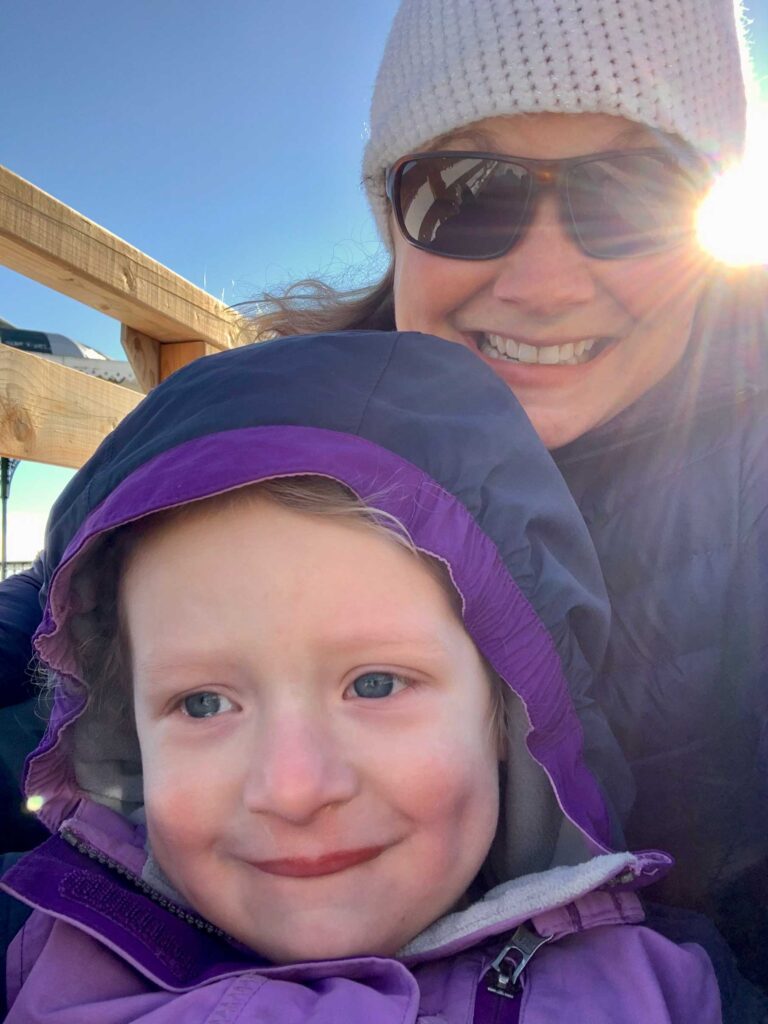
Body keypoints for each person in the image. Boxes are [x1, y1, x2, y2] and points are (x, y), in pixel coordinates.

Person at [1, 0, 767, 996]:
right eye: (469, 193)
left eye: (632, 194)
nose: (543, 280)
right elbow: (67, 639)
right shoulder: (290, 431)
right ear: (395, 218)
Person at [0, 332, 727, 1021]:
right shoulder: (42, 954)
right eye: (204, 702)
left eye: (375, 684)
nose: (293, 788)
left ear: (507, 712)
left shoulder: (656, 993)